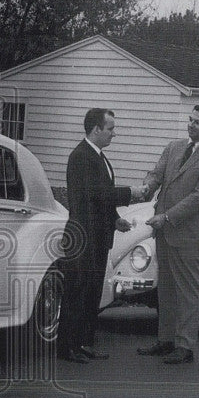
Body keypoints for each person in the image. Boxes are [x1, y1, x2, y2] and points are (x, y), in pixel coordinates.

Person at [136, 103, 199, 365]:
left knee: (187, 290)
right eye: (190, 120)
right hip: (163, 232)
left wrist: (167, 217)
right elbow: (157, 173)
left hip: (185, 233)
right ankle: (165, 340)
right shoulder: (173, 147)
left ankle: (185, 346)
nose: (190, 125)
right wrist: (147, 187)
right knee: (166, 288)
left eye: (197, 122)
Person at [59, 108, 142, 364]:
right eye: (110, 129)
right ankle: (68, 347)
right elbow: (95, 194)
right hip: (83, 237)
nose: (113, 134)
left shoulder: (99, 157)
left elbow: (100, 200)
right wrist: (131, 193)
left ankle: (84, 342)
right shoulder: (81, 157)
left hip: (97, 237)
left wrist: (115, 219)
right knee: (77, 292)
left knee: (92, 293)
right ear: (96, 129)